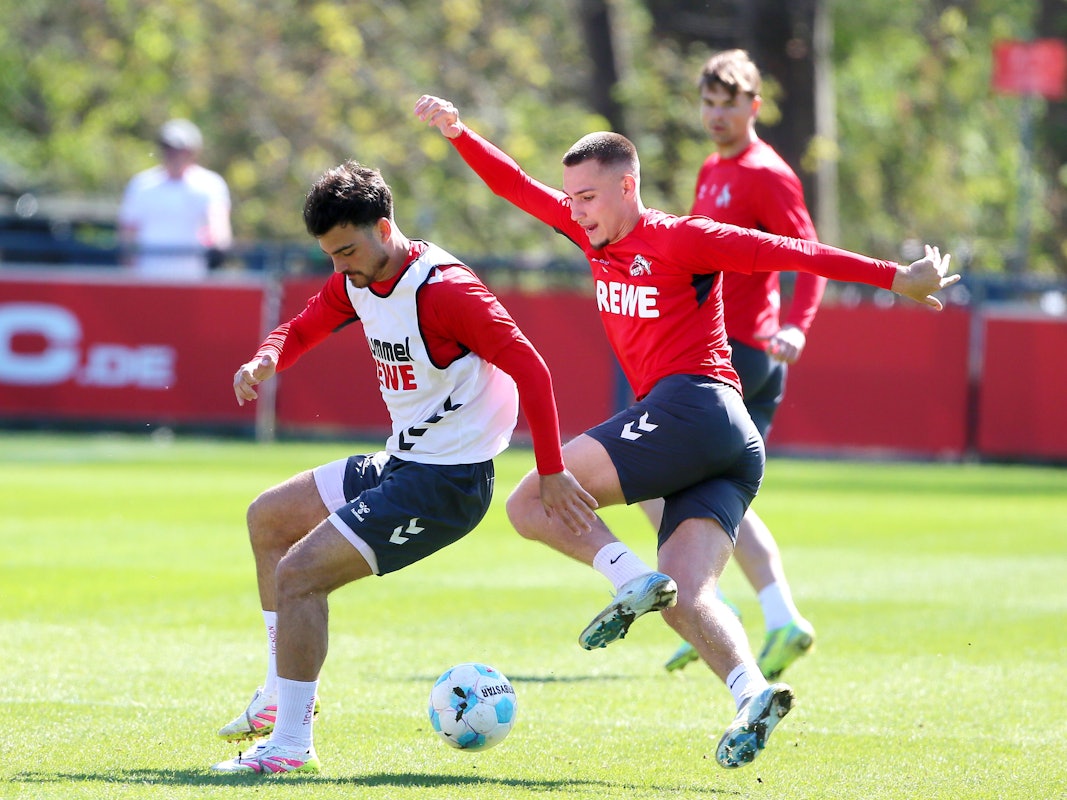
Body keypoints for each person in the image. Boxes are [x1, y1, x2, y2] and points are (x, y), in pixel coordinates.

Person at [414, 94, 958, 769]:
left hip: (693, 407)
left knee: (528, 502)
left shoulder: (679, 236)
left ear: (626, 186)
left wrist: (892, 277)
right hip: (727, 446)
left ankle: (626, 576)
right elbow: (515, 188)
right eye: (571, 199)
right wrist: (460, 131)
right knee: (686, 596)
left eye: (588, 197)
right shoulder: (589, 235)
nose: (576, 210)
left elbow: (786, 249)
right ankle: (750, 692)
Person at [210, 160, 597, 775]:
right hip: (404, 462)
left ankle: (288, 744)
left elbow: (533, 369)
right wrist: (265, 359)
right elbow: (302, 326)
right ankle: (276, 695)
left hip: (448, 484)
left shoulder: (446, 291)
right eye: (330, 255)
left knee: (301, 574)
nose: (339, 267)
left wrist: (550, 470)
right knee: (270, 520)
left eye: (347, 250)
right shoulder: (357, 278)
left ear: (384, 226)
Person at [654, 49, 822, 677]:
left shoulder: (767, 174)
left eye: (730, 103)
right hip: (724, 350)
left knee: (639, 468)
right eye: (709, 103)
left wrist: (796, 326)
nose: (717, 114)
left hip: (744, 351)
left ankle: (707, 599)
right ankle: (778, 617)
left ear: (755, 106)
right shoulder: (712, 168)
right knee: (717, 492)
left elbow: (809, 255)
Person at [118, 118, 232, 279]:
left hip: (193, 280)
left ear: (192, 151)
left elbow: (219, 228)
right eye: (168, 148)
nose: (173, 155)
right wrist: (129, 269)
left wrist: (218, 249)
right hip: (147, 277)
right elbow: (127, 234)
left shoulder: (210, 184)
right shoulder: (141, 185)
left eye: (180, 149)